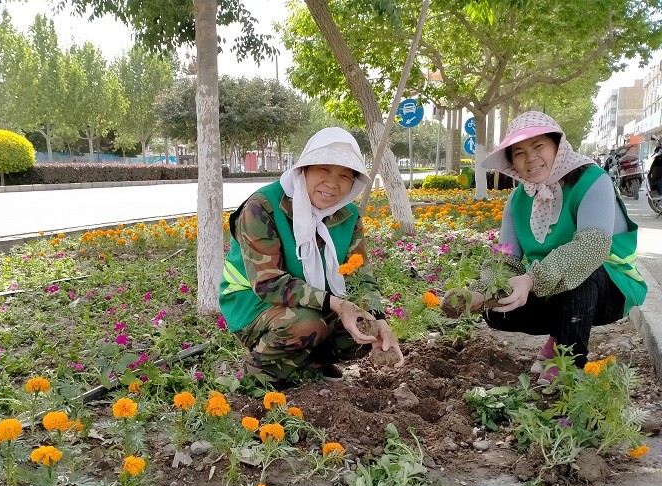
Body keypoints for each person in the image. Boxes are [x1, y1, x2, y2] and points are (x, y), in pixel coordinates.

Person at [446, 111, 647, 384]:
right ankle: (560, 334)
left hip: (611, 286)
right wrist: (480, 293)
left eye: (538, 146)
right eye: (519, 153)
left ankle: (569, 363)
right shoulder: (518, 199)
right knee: (497, 310)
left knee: (580, 274)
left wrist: (530, 280)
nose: (530, 159)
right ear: (512, 162)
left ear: (557, 147)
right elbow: (505, 258)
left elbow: (592, 246)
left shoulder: (593, 180)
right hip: (551, 284)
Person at [218, 127, 403, 387]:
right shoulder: (263, 207)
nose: (332, 183)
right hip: (253, 303)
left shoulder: (348, 215)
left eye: (344, 176)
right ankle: (261, 372)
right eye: (323, 170)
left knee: (364, 329)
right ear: (303, 170)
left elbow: (361, 275)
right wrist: (339, 306)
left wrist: (379, 320)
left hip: (313, 301)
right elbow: (267, 283)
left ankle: (315, 359)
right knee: (307, 326)